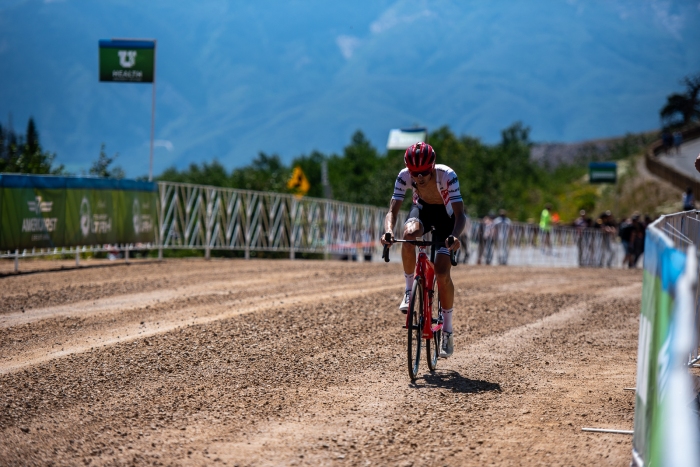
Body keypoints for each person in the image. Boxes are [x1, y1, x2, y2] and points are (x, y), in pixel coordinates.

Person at [381, 142, 467, 358]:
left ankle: (447, 330)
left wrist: (455, 237)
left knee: (441, 271)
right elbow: (392, 209)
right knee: (409, 235)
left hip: (447, 218)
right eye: (415, 173)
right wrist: (388, 231)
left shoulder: (447, 176)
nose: (419, 178)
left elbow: (460, 214)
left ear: (433, 166)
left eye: (424, 173)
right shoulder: (404, 176)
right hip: (423, 211)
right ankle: (409, 291)